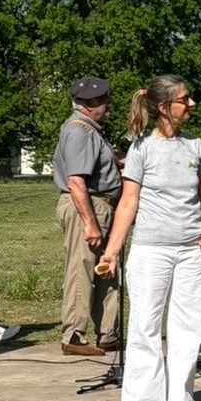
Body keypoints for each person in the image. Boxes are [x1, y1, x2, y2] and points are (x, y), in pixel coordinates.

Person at [98, 75, 201, 401]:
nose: (191, 104)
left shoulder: (196, 146)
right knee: (146, 326)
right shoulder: (141, 148)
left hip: (189, 252)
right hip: (151, 251)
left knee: (188, 328)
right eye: (185, 99)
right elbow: (128, 203)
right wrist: (111, 251)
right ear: (164, 107)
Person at [52, 76, 121, 357]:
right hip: (87, 205)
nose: (107, 104)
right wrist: (90, 223)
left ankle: (108, 333)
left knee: (107, 269)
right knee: (82, 268)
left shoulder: (92, 130)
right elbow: (76, 181)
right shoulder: (80, 131)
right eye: (103, 100)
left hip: (100, 204)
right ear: (89, 104)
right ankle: (73, 335)